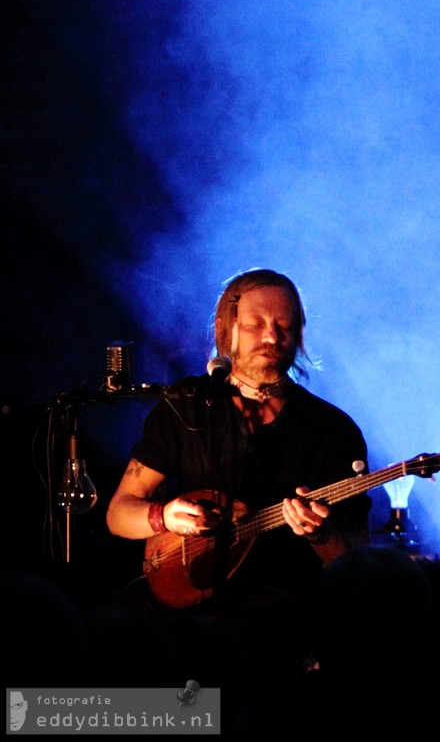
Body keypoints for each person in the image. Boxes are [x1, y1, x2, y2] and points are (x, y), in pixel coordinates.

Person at [106, 268, 371, 730]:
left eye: (285, 325)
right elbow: (117, 513)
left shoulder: (331, 431)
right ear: (226, 331)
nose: (272, 335)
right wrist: (163, 515)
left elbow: (355, 560)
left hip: (274, 610)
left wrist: (320, 534)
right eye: (256, 324)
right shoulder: (187, 407)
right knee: (110, 640)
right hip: (176, 594)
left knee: (214, 660)